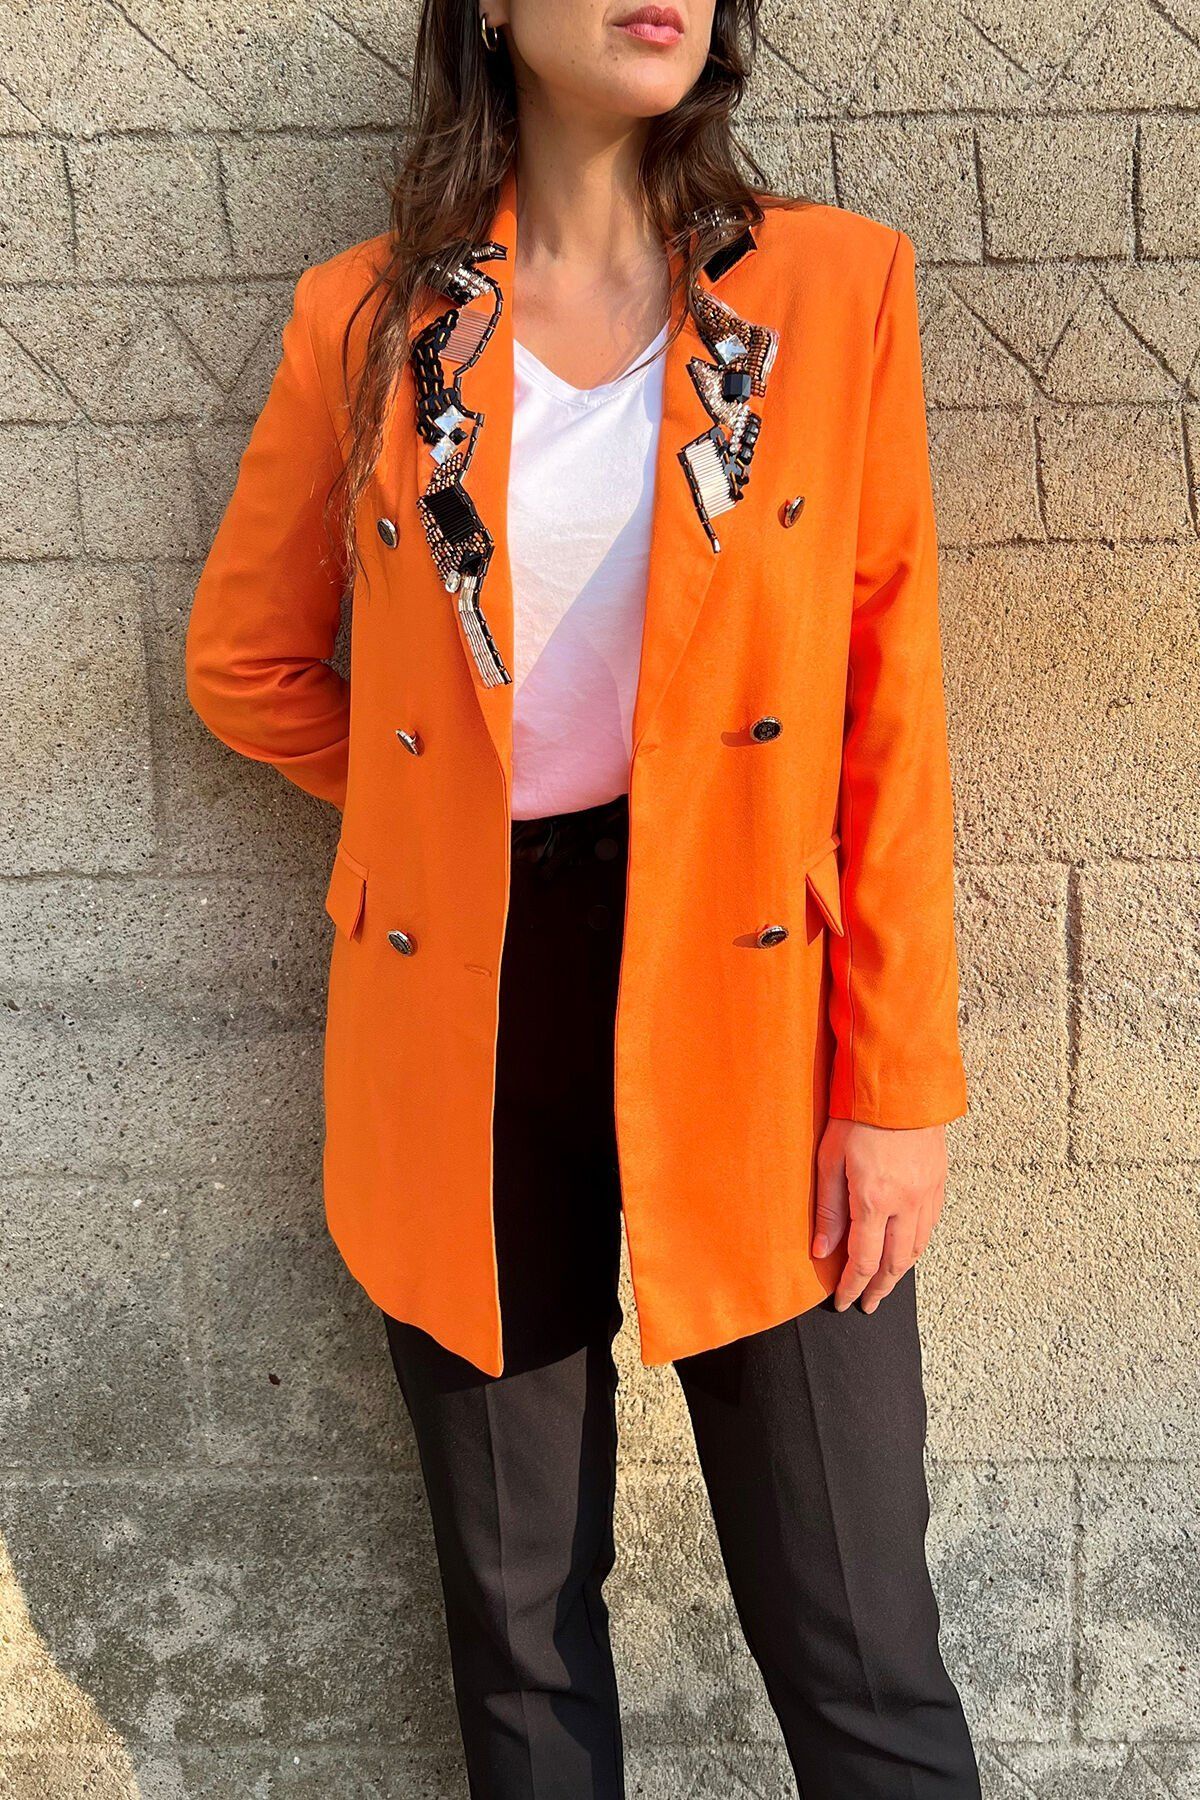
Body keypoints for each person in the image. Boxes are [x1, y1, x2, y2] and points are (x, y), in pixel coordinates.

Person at [185, 1, 981, 1794]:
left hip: (756, 996)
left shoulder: (830, 290)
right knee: (522, 1632)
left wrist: (895, 1087)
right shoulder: (371, 320)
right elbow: (244, 663)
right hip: (468, 994)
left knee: (859, 1635)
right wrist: (436, 814)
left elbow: (892, 707)